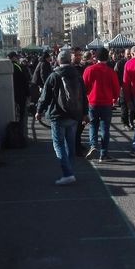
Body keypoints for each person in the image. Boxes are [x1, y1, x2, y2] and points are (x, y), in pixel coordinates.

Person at [35, 50, 88, 185]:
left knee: (58, 145)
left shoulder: (54, 76)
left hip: (57, 115)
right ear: (70, 61)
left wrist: (39, 111)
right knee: (70, 145)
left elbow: (45, 96)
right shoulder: (77, 75)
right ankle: (70, 170)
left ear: (58, 61)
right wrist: (84, 113)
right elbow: (83, 96)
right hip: (74, 115)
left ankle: (67, 173)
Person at [83, 47, 120, 162]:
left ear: (95, 57)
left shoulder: (89, 70)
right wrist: (115, 98)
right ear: (107, 57)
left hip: (93, 102)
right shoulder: (110, 71)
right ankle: (104, 154)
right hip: (106, 103)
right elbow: (116, 88)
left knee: (93, 125)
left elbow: (84, 87)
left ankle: (93, 145)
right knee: (105, 129)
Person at [8, 51, 30, 139]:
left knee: (13, 116)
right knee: (22, 116)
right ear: (14, 57)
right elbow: (25, 81)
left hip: (11, 95)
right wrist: (28, 94)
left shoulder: (8, 67)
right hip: (21, 94)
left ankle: (15, 136)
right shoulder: (19, 67)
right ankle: (22, 135)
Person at [114, 49, 135, 130]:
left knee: (133, 106)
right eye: (128, 54)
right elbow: (115, 74)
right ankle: (125, 123)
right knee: (124, 106)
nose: (129, 55)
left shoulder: (134, 62)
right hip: (123, 87)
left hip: (133, 88)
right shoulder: (120, 63)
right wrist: (119, 86)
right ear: (124, 54)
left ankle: (131, 121)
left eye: (130, 54)